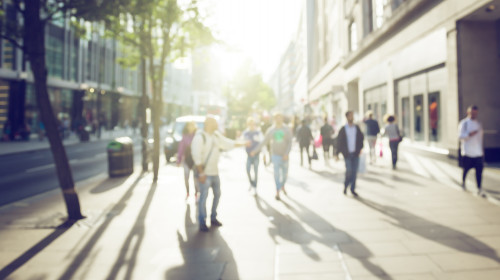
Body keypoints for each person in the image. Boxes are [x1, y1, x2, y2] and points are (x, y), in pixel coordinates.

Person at [191, 116, 247, 232]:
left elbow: (227, 143)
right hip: (204, 174)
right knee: (203, 197)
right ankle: (202, 221)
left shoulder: (216, 136)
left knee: (217, 194)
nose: (217, 124)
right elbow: (196, 156)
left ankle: (213, 217)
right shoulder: (200, 137)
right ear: (208, 123)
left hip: (214, 172)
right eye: (215, 122)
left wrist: (243, 144)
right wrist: (201, 173)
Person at [251, 112, 293, 200]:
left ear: (282, 119)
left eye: (280, 118)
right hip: (275, 156)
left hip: (284, 156)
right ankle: (277, 191)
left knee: (285, 175)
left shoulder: (286, 129)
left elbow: (290, 142)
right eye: (276, 118)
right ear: (274, 119)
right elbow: (264, 141)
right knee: (276, 175)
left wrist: (286, 153)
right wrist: (255, 150)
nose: (278, 119)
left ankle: (282, 185)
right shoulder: (271, 130)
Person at [335, 111, 364, 196]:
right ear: (347, 117)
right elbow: (339, 141)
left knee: (354, 172)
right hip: (347, 154)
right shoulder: (343, 129)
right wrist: (337, 153)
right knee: (349, 171)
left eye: (352, 115)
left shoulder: (356, 128)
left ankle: (352, 189)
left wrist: (360, 149)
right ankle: (346, 185)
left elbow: (361, 139)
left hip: (355, 154)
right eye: (350, 116)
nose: (352, 117)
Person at [459, 105, 484, 195]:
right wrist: (469, 134)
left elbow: (480, 139)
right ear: (468, 112)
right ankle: (463, 183)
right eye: (472, 113)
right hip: (467, 152)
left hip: (478, 153)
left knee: (479, 172)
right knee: (466, 170)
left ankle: (479, 188)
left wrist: (482, 152)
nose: (474, 115)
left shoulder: (479, 123)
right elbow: (460, 137)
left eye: (475, 113)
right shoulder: (464, 123)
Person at [176, 121, 199, 200]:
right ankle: (188, 192)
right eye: (189, 126)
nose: (191, 127)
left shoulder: (197, 136)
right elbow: (181, 149)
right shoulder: (185, 136)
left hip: (196, 161)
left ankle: (196, 193)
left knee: (195, 179)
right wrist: (178, 160)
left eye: (192, 125)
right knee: (186, 178)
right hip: (187, 160)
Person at [242, 117, 264, 194]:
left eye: (253, 124)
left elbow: (261, 144)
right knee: (248, 170)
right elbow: (242, 142)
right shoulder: (245, 133)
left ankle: (255, 187)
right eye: (250, 124)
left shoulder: (258, 133)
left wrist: (256, 151)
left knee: (255, 171)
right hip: (248, 155)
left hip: (256, 155)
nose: (252, 125)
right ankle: (251, 183)